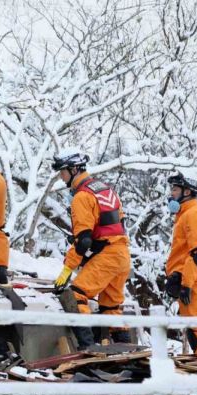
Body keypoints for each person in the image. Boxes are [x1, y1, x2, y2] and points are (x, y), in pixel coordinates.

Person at [52, 148, 131, 348]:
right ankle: (126, 351)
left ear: (74, 169)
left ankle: (88, 347)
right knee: (111, 306)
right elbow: (114, 226)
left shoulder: (81, 197)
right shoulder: (105, 189)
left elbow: (84, 241)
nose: (61, 177)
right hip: (122, 255)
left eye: (62, 172)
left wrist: (67, 270)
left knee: (76, 295)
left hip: (108, 256)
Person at [164, 172, 197, 357]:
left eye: (175, 189)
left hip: (196, 282)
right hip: (192, 279)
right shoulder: (185, 214)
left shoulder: (193, 214)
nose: (172, 193)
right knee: (196, 330)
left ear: (188, 191)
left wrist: (186, 284)